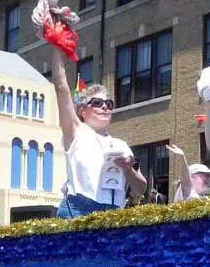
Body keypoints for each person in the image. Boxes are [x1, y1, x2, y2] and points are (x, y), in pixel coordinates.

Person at [49, 44, 146, 219]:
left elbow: (141, 188)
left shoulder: (121, 145)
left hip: (114, 213)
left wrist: (128, 170)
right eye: (96, 103)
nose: (104, 107)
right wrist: (56, 46)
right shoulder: (76, 132)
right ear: (82, 110)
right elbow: (61, 87)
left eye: (108, 104)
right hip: (78, 209)